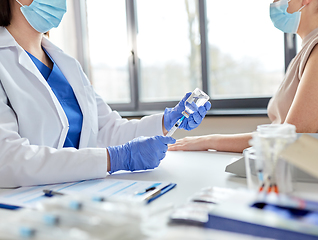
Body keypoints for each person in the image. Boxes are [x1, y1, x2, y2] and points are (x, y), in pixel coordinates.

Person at [0, 0, 211, 188]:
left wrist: (166, 122)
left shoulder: (67, 64)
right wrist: (114, 159)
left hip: (81, 193)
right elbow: (8, 159)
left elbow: (107, 129)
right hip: (26, 206)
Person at [169, 0, 318, 153]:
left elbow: (290, 137)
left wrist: (208, 140)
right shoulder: (311, 48)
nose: (274, 3)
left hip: (310, 175)